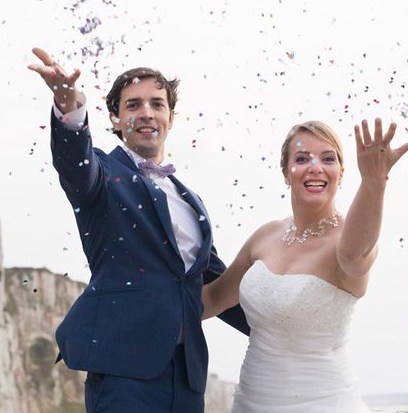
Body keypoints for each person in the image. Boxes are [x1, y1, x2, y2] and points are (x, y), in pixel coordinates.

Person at [27, 47, 249, 413]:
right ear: (114, 119)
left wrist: (281, 334)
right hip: (124, 369)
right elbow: (74, 163)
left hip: (188, 376)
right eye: (133, 105)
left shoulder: (191, 201)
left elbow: (215, 283)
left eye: (157, 104)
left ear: (170, 118)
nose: (146, 112)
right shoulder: (100, 176)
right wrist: (68, 108)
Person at [202, 119, 408, 412]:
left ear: (341, 173)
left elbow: (354, 256)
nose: (315, 167)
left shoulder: (346, 242)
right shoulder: (265, 236)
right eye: (302, 159)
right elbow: (213, 298)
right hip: (251, 402)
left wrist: (373, 183)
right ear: (286, 173)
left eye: (328, 159)